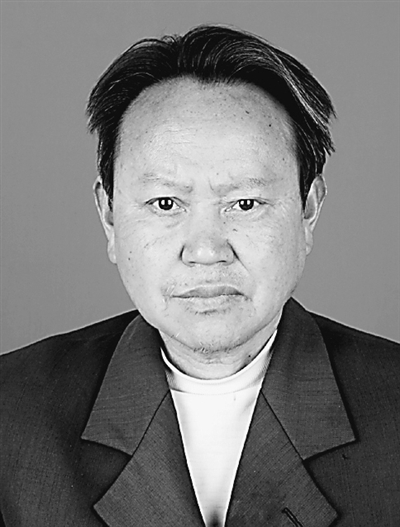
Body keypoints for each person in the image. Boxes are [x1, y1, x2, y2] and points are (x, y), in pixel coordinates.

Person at [0, 24, 399, 527]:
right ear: (109, 216)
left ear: (308, 209)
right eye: (165, 203)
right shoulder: (12, 415)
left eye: (245, 203)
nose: (206, 251)